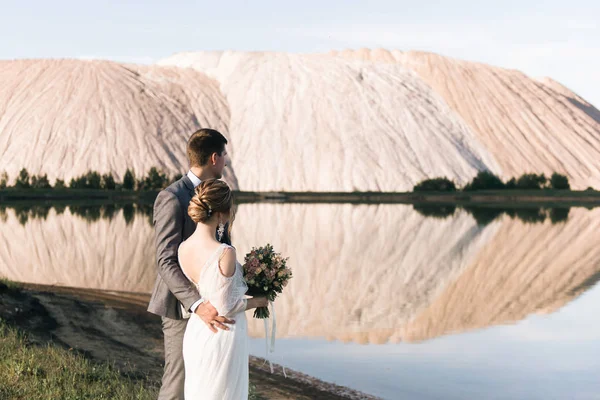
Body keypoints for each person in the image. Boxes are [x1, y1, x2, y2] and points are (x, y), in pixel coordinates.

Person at [148, 128, 235, 399]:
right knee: (178, 382)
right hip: (181, 307)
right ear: (213, 158)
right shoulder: (172, 197)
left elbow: (221, 247)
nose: (225, 161)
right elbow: (165, 260)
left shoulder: (217, 194)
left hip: (214, 306)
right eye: (223, 156)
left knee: (208, 381)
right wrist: (197, 304)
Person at [178, 178, 268, 399]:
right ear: (220, 214)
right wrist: (259, 301)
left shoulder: (183, 248)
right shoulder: (225, 252)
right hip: (223, 336)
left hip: (198, 330)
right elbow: (226, 306)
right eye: (229, 210)